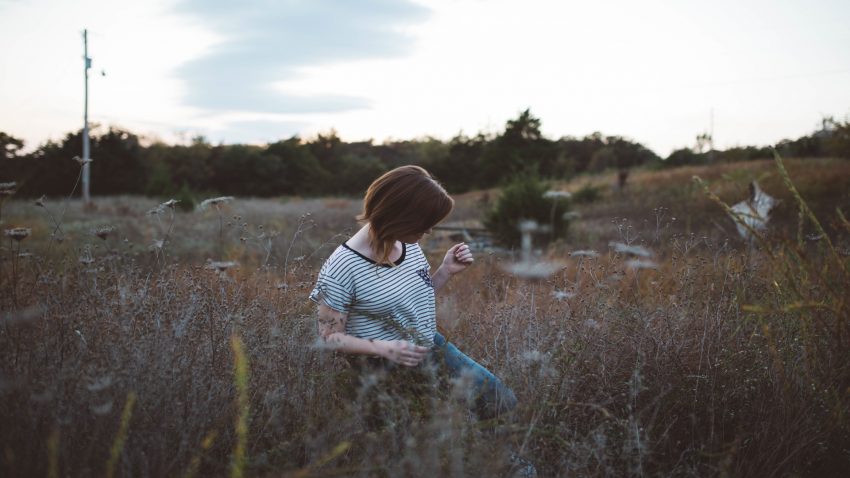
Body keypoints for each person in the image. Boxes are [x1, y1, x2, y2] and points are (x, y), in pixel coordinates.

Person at [309, 165, 517, 420]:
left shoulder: (405, 244)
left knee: (500, 401)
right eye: (423, 224)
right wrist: (385, 349)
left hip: (429, 345)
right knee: (421, 432)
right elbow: (330, 338)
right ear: (398, 214)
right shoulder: (341, 267)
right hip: (383, 367)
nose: (428, 231)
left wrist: (445, 271)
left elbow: (413, 300)